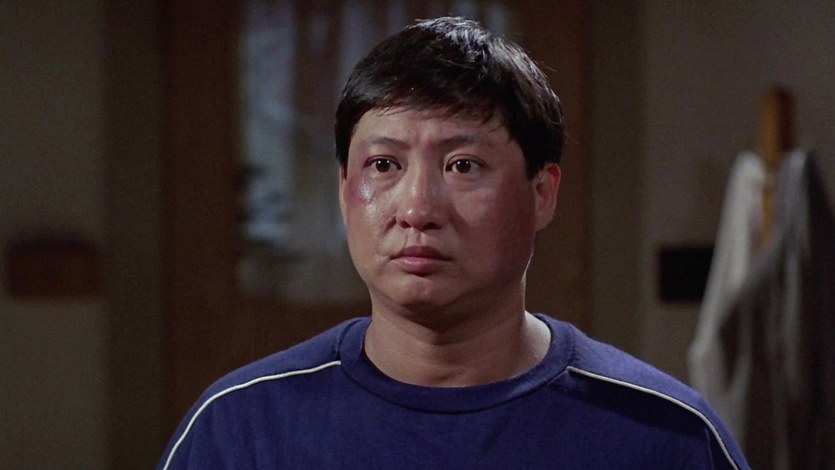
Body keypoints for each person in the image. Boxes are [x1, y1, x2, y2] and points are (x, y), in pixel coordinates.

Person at [159, 17, 749, 469]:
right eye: (384, 165)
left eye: (463, 165)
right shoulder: (240, 430)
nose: (417, 209)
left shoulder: (665, 436)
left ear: (543, 193)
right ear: (344, 190)